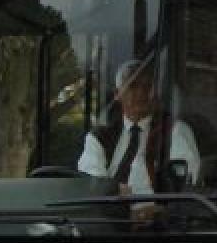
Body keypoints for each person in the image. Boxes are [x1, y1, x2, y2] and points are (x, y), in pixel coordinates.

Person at [78, 58, 200, 196]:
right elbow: (91, 182)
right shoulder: (99, 136)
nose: (141, 93)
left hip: (159, 215)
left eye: (147, 86)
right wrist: (115, 192)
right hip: (107, 214)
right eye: (133, 86)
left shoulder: (175, 131)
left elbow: (184, 185)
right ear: (117, 94)